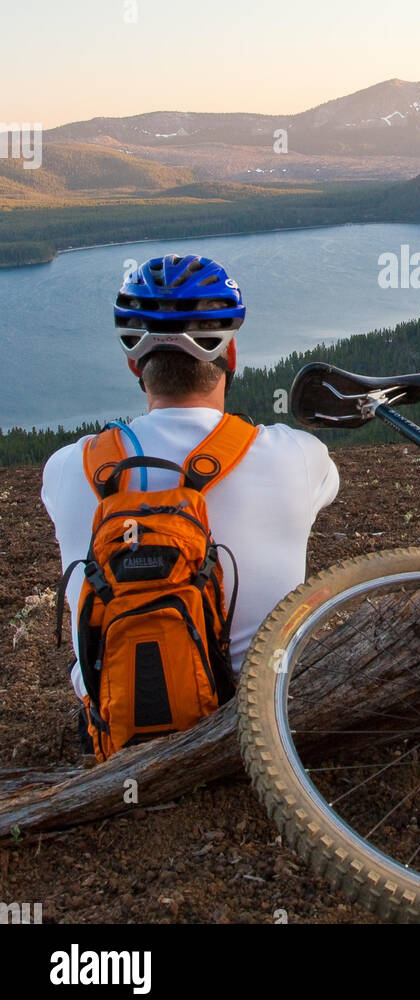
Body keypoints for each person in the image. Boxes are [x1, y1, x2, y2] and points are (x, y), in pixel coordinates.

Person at [42, 253, 339, 721]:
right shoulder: (297, 456)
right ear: (232, 355)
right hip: (260, 724)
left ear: (134, 365)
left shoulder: (67, 468)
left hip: (115, 720)